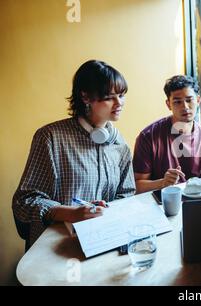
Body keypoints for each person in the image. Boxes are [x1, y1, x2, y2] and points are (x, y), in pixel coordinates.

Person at [12, 60, 136, 249]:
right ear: (85, 97)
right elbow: (24, 202)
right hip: (55, 248)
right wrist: (69, 213)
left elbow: (127, 195)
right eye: (109, 97)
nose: (119, 103)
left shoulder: (120, 144)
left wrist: (106, 210)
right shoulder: (50, 137)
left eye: (121, 95)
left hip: (100, 246)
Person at [133, 75, 201, 194]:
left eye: (189, 100)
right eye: (177, 102)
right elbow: (136, 186)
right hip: (158, 206)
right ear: (168, 104)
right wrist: (162, 183)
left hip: (195, 204)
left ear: (198, 100)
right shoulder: (148, 137)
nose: (185, 107)